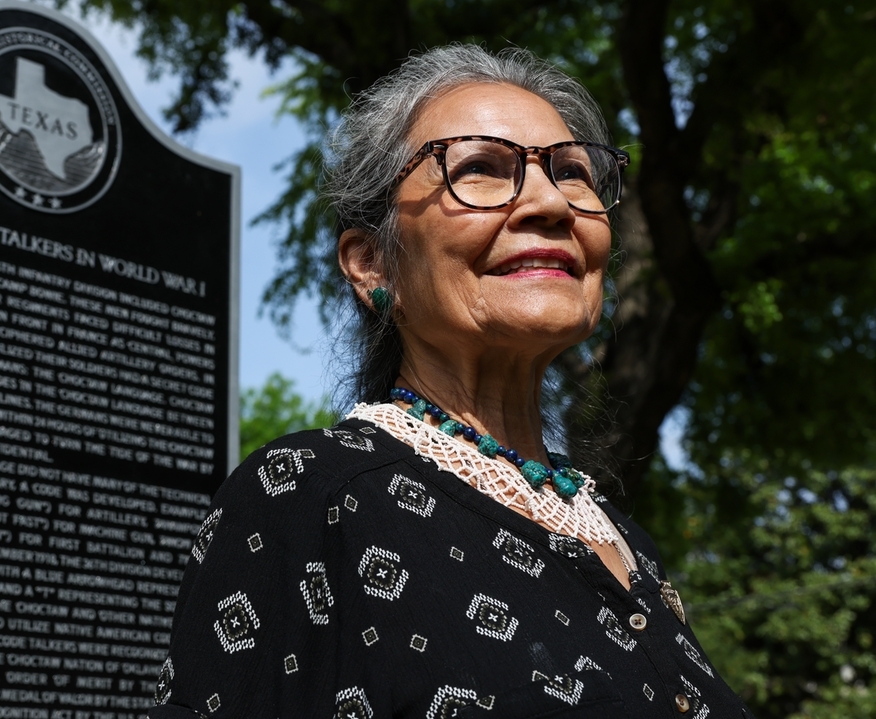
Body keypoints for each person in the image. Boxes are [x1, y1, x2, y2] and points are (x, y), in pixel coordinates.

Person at [149, 44, 754, 718]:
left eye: (574, 172)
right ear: (373, 263)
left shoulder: (625, 540)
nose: (550, 202)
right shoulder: (313, 492)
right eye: (480, 169)